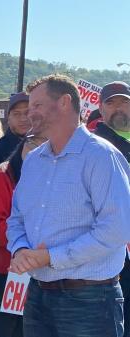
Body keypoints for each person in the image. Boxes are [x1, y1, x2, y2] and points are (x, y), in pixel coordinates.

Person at [7, 74, 130, 337]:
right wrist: (19, 250)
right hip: (39, 294)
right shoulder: (34, 161)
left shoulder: (102, 156)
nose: (30, 113)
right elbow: (16, 217)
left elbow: (117, 229)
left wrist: (51, 257)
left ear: (64, 102)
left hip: (90, 300)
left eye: (37, 105)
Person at [0, 134, 47, 337]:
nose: (39, 152)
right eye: (34, 144)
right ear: (24, 145)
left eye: (46, 146)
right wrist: (31, 241)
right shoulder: (0, 176)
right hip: (5, 274)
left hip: (34, 272)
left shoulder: (44, 178)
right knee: (5, 331)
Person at [93, 81, 130, 336]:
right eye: (111, 102)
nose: (119, 108)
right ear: (100, 108)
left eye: (124, 102)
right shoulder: (94, 145)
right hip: (112, 255)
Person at [0, 92, 31, 179]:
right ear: (9, 118)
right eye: (17, 114)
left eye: (27, 112)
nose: (23, 119)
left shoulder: (46, 147)